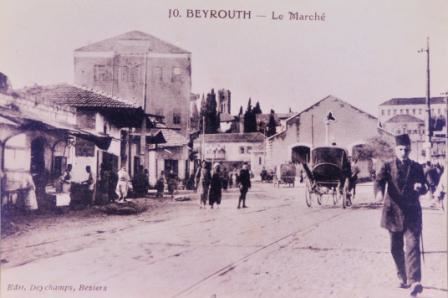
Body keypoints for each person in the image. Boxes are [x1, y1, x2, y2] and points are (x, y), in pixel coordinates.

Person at [375, 134, 427, 296]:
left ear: (410, 150)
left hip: (412, 213)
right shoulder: (387, 166)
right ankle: (403, 276)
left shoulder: (417, 167)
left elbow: (425, 186)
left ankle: (414, 281)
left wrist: (421, 187)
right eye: (401, 149)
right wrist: (378, 192)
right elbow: (379, 181)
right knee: (395, 248)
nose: (404, 152)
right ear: (396, 150)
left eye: (406, 149)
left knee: (412, 245)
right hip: (393, 212)